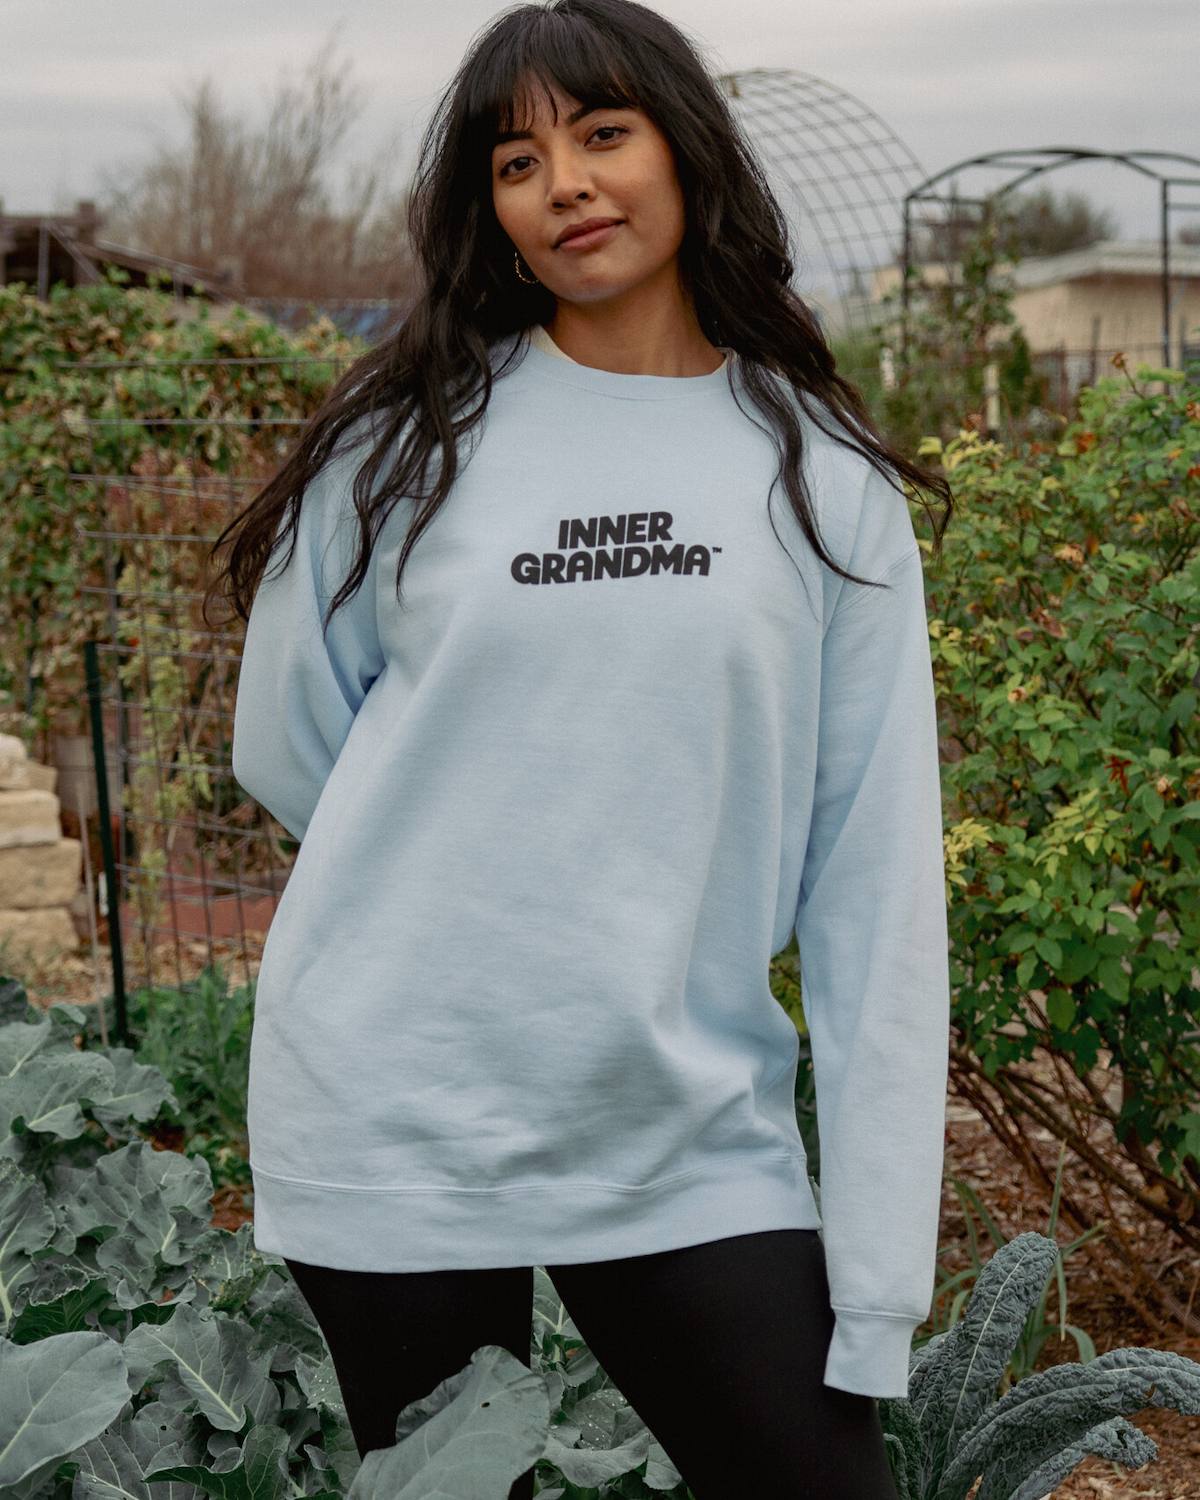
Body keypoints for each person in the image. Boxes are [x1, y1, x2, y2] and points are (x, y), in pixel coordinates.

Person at [207, 0, 955, 1493]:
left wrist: (875, 1283)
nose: (565, 184)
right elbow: (290, 747)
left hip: (688, 1130)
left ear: (688, 153)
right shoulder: (403, 442)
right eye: (516, 159)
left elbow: (874, 889)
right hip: (394, 1105)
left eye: (603, 133)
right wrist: (469, 872)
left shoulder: (819, 479)